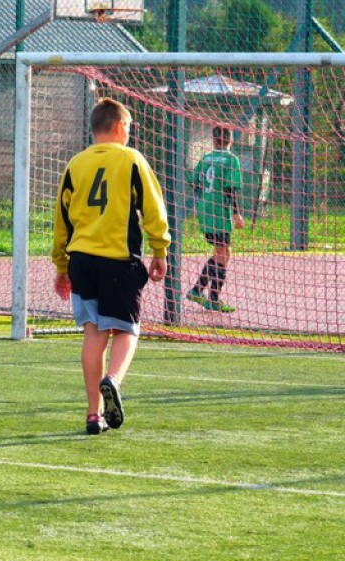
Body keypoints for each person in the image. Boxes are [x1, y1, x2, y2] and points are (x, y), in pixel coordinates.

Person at [51, 98, 170, 435]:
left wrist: (61, 266)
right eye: (129, 128)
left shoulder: (75, 164)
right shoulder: (132, 159)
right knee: (128, 330)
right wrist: (160, 250)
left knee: (93, 333)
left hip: (81, 261)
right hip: (118, 259)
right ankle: (113, 380)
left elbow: (61, 219)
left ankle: (93, 414)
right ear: (119, 127)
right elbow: (153, 209)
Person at [186, 126, 245, 313]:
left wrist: (201, 201)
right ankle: (212, 298)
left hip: (205, 210)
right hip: (219, 212)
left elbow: (194, 181)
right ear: (230, 139)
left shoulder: (205, 159)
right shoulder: (231, 159)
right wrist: (236, 213)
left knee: (223, 253)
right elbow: (230, 188)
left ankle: (198, 290)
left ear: (213, 139)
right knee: (222, 253)